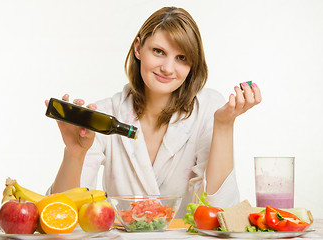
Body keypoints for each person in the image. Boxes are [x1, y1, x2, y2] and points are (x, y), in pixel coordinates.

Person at [46, 6, 261, 217]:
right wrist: (74, 154)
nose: (168, 68)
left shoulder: (207, 108)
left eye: (182, 58)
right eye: (159, 52)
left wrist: (223, 125)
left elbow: (221, 213)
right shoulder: (105, 114)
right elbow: (60, 214)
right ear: (139, 48)